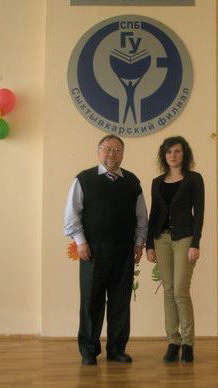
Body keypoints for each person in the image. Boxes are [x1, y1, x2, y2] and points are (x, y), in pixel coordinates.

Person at [63, 134, 147, 366]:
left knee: (120, 301)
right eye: (107, 149)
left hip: (124, 251)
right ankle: (89, 350)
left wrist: (139, 242)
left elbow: (141, 216)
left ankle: (117, 349)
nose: (112, 153)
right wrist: (80, 242)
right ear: (98, 152)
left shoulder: (132, 182)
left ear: (123, 154)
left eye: (117, 150)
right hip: (93, 251)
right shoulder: (84, 179)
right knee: (91, 302)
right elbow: (71, 216)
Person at [146, 136, 205, 363]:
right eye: (169, 151)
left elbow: (199, 214)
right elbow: (154, 215)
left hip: (184, 239)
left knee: (180, 290)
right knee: (169, 290)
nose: (173, 155)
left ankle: (188, 343)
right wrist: (150, 245)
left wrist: (195, 243)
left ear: (184, 154)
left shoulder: (194, 179)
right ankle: (173, 342)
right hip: (161, 240)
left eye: (177, 151)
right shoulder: (157, 182)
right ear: (164, 155)